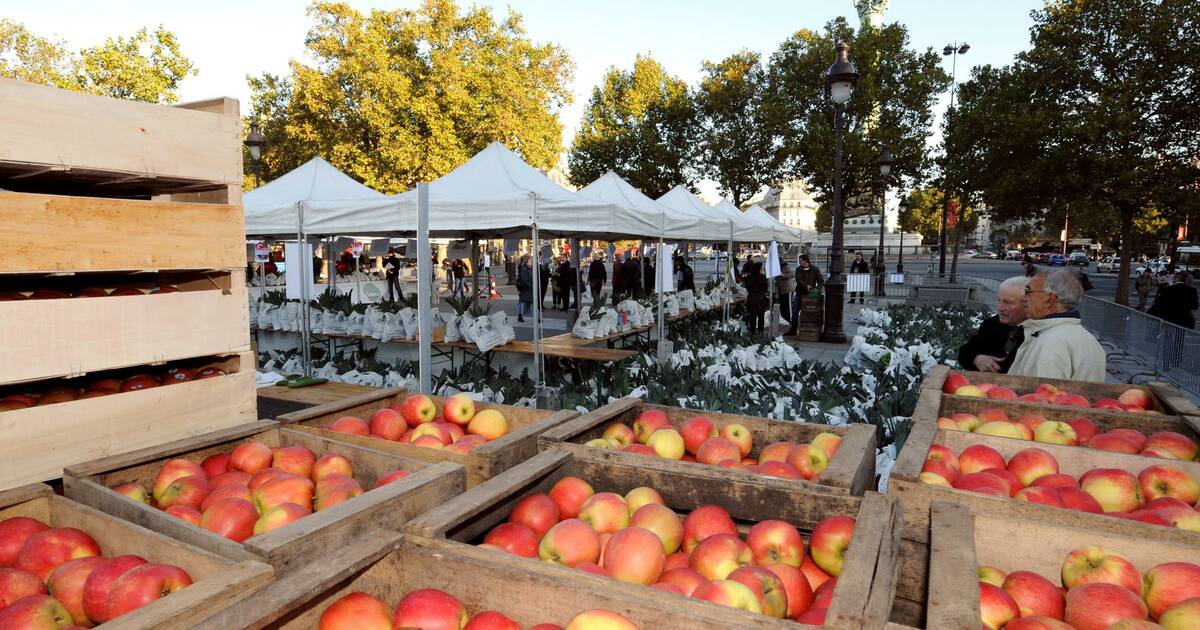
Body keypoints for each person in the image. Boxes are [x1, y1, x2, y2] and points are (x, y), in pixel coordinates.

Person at [1008, 269, 1106, 381]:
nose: (1023, 298)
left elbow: (1041, 395)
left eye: (1027, 291)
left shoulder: (1050, 342)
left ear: (1049, 299)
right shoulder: (1087, 338)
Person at [957, 276, 1029, 373]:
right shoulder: (991, 325)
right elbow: (967, 350)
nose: (1000, 308)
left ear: (1028, 305)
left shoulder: (1037, 333)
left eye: (1007, 303)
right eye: (998, 300)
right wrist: (976, 358)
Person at [744, 262, 769, 335]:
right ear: (759, 269)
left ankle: (752, 332)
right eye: (762, 267)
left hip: (751, 298)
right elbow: (765, 288)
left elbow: (747, 287)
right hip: (760, 298)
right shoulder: (763, 278)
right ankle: (760, 332)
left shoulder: (749, 277)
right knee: (761, 317)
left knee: (753, 316)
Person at [777, 261, 795, 335]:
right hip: (781, 290)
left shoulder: (786, 266)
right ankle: (786, 319)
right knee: (783, 306)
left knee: (788, 306)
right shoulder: (777, 268)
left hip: (787, 289)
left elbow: (791, 274)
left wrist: (783, 275)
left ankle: (790, 320)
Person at [514, 256, 533, 322]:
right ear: (527, 262)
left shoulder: (532, 268)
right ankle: (519, 316)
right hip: (525, 289)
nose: (532, 262)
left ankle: (537, 317)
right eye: (531, 261)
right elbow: (524, 280)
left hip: (531, 290)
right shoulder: (524, 269)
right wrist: (531, 286)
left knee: (535, 303)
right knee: (522, 303)